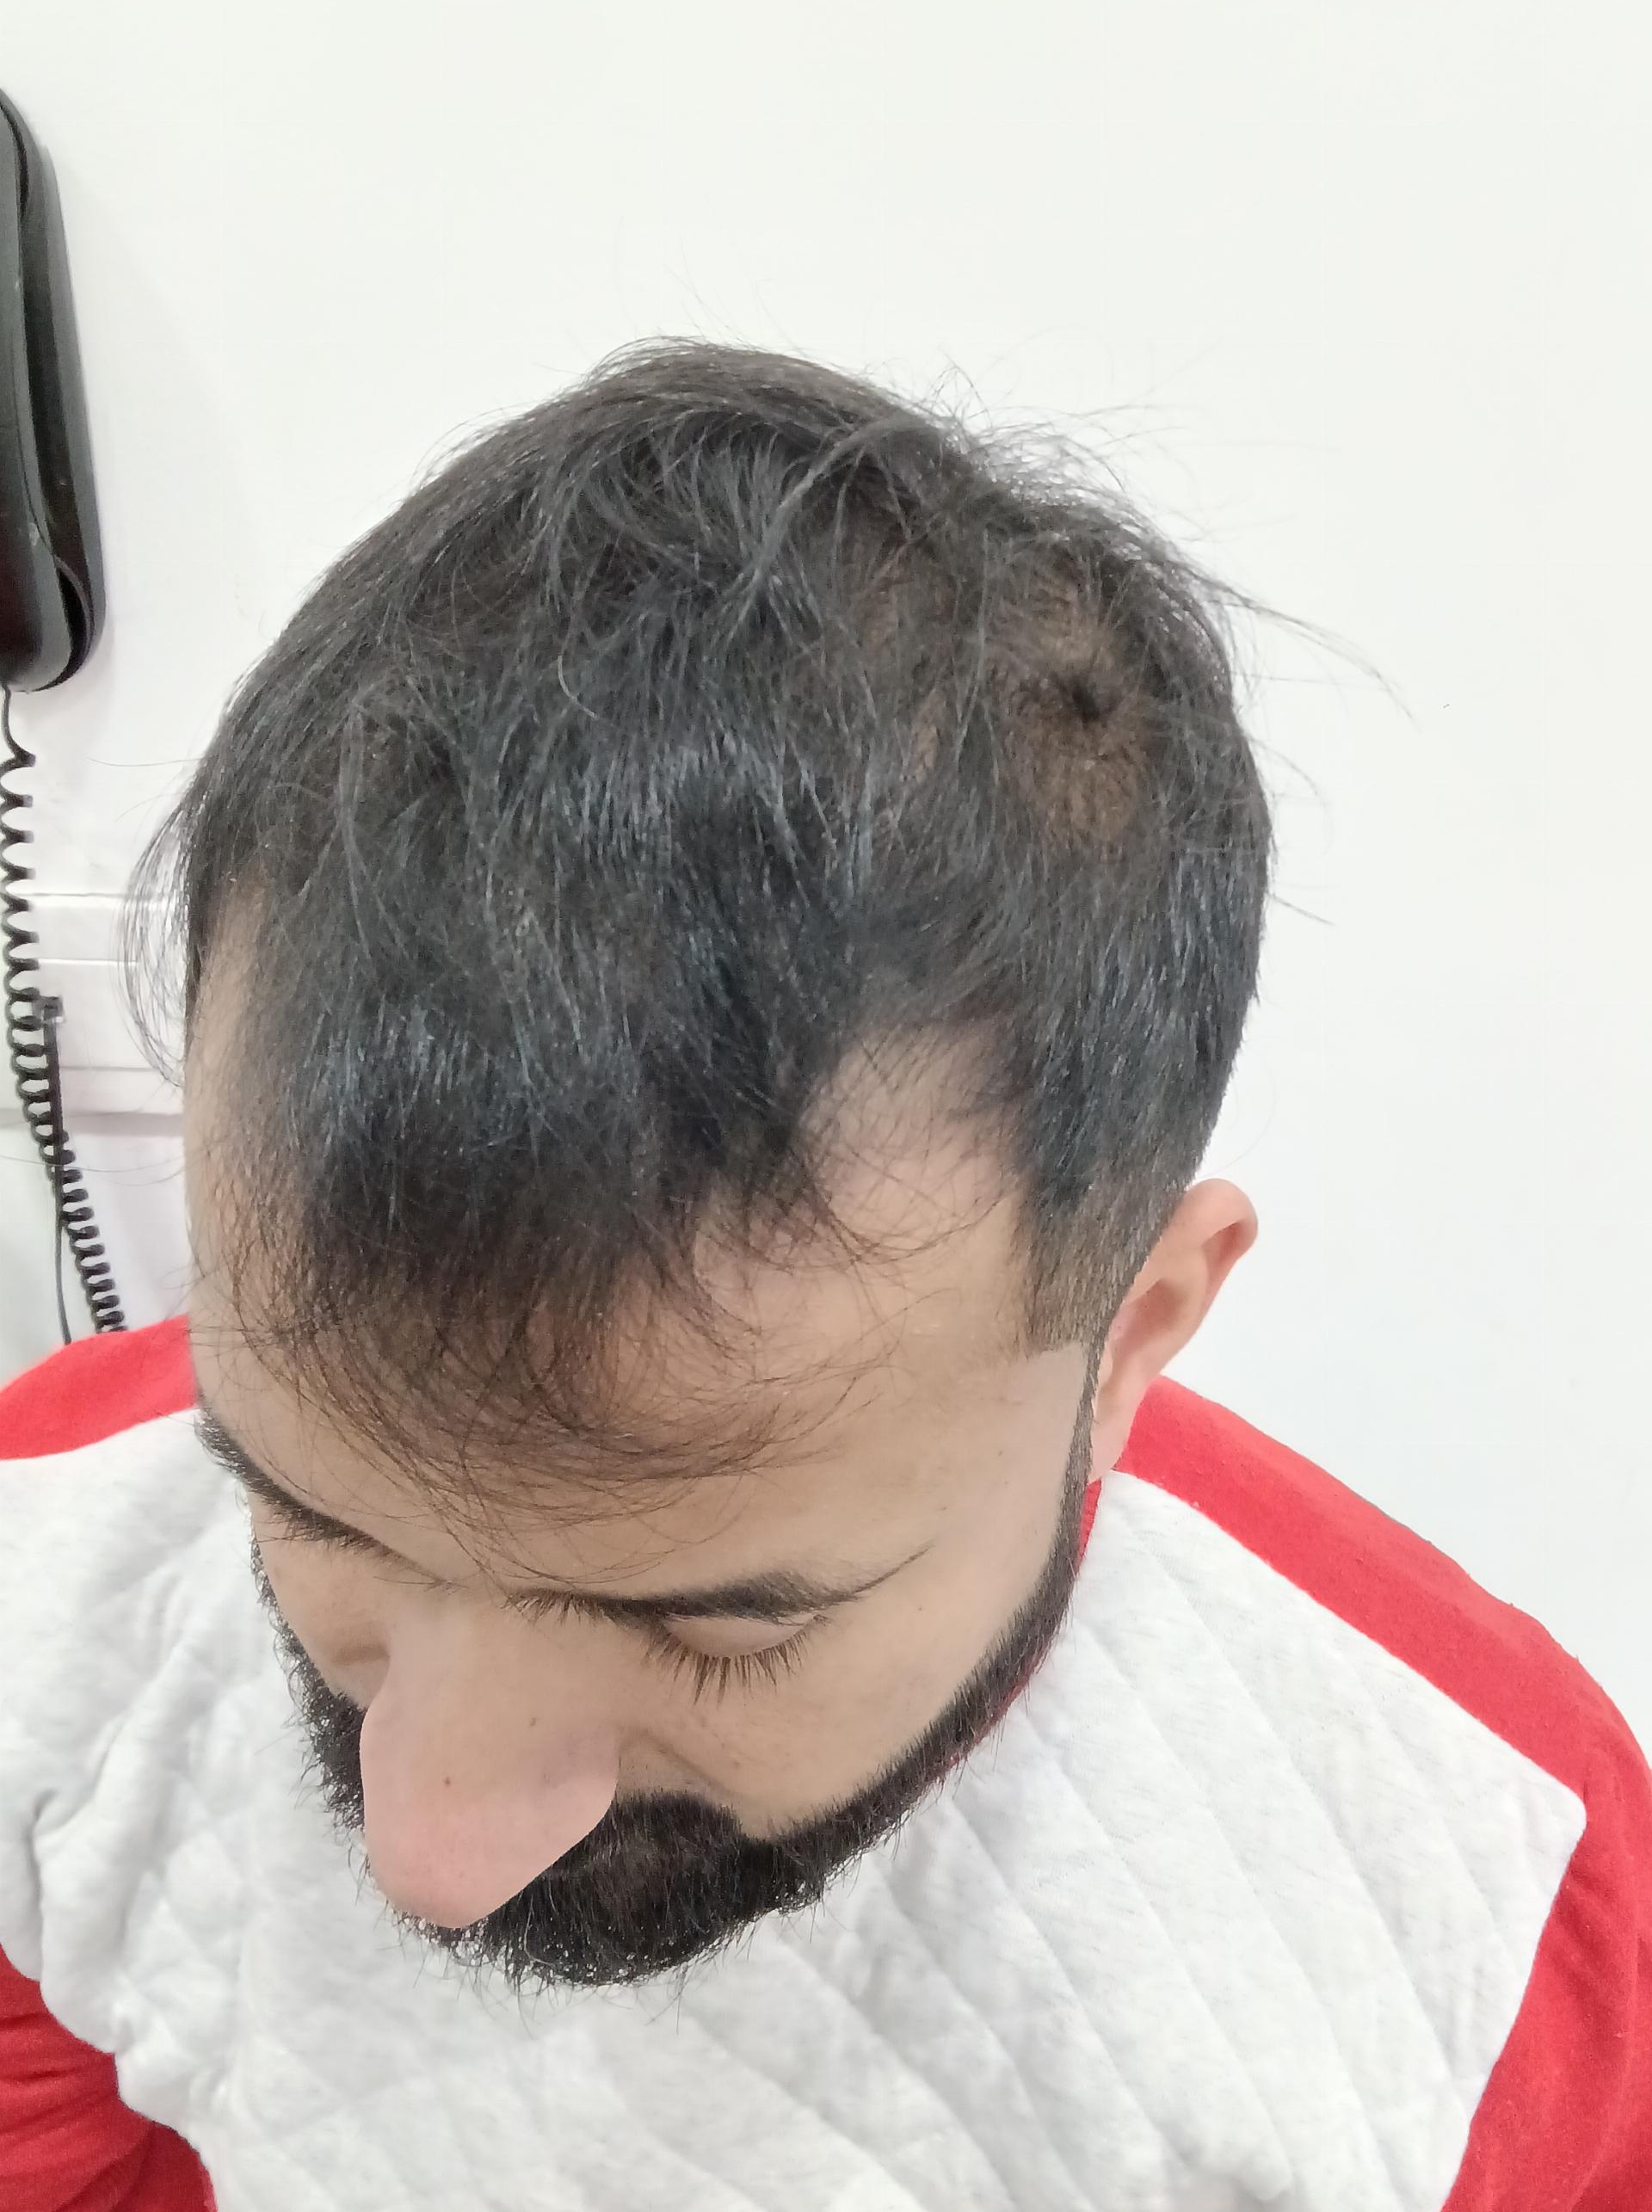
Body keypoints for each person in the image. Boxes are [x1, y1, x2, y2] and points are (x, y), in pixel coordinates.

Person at [2, 342, 1647, 2211]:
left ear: (1134, 1333)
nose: (426, 1849)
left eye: (713, 1630)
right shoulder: (42, 1558)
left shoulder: (1486, 1903)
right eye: (308, 1513)